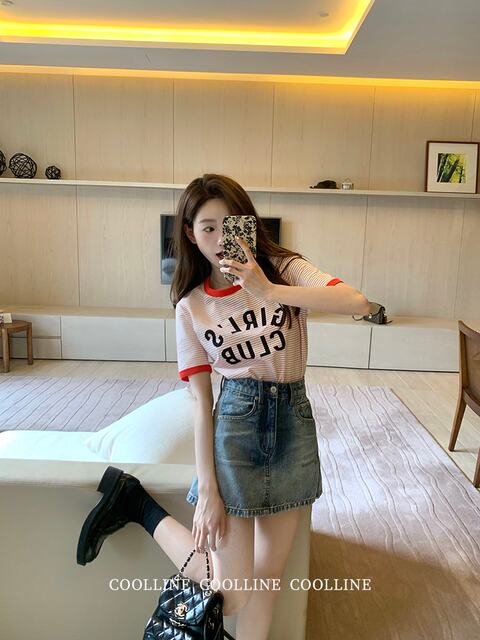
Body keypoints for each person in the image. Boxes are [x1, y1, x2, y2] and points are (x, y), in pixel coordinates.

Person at [77, 173, 371, 639]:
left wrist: (268, 290)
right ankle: (137, 505)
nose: (219, 239)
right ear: (190, 234)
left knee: (269, 582)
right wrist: (209, 490)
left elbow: (357, 301)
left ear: (247, 224)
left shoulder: (283, 268)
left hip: (293, 423)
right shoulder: (191, 306)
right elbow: (202, 401)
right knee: (232, 594)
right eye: (207, 228)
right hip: (235, 425)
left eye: (228, 225)